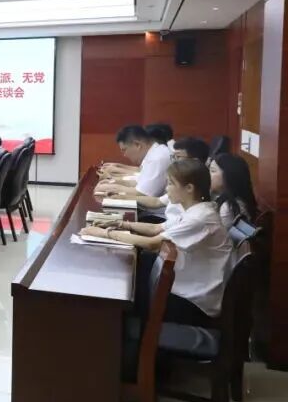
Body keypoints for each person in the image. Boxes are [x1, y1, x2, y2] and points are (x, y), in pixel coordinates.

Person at [81, 159, 233, 325]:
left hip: (195, 302)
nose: (167, 189)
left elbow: (152, 243)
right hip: (186, 287)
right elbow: (156, 228)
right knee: (135, 277)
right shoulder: (195, 210)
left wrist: (106, 234)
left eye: (171, 184)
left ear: (189, 188)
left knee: (132, 290)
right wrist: (121, 224)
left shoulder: (199, 218)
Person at [124, 137, 210, 209]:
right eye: (173, 157)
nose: (174, 161)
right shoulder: (180, 177)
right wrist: (123, 197)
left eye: (178, 157)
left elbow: (155, 202)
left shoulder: (196, 184)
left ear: (194, 161)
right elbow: (157, 201)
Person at [97, 125, 172, 198]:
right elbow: (139, 181)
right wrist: (112, 181)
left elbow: (143, 194)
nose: (125, 155)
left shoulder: (157, 158)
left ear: (137, 145)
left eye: (124, 150)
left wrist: (113, 187)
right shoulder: (154, 153)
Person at [210, 153, 258, 228]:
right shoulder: (221, 198)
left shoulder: (229, 207)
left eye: (212, 171)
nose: (207, 174)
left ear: (228, 175)